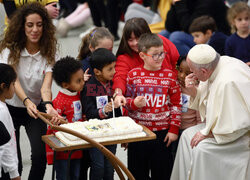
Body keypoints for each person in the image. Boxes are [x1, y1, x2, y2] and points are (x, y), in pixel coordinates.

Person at [171, 44, 250, 180]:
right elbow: (208, 96)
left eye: (192, 70)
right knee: (186, 136)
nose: (190, 72)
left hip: (240, 135)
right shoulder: (216, 64)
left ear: (204, 71)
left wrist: (208, 133)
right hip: (222, 127)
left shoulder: (229, 82)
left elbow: (237, 124)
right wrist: (193, 90)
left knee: (202, 148)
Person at [0, 3, 59, 179]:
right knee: (13, 161)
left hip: (36, 108)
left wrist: (48, 105)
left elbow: (46, 86)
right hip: (11, 108)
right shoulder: (10, 48)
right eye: (30, 25)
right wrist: (26, 101)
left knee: (40, 157)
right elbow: (13, 80)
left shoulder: (50, 49)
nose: (35, 30)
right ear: (22, 26)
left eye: (39, 25)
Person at [124, 33, 181, 180]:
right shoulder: (133, 75)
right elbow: (126, 102)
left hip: (162, 134)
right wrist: (134, 104)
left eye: (162, 53)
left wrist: (174, 129)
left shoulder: (169, 76)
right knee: (137, 174)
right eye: (155, 55)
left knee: (162, 173)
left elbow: (176, 104)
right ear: (142, 56)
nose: (160, 58)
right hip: (138, 133)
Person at [113, 17, 179, 107]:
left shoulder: (161, 43)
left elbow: (176, 64)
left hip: (167, 101)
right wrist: (118, 94)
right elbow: (120, 77)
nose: (135, 43)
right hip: (141, 107)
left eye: (138, 38)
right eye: (130, 40)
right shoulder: (125, 58)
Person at [81, 48, 122, 180]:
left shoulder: (113, 85)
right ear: (97, 72)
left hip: (112, 134)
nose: (114, 71)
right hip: (95, 135)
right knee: (98, 167)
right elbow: (88, 112)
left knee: (110, 167)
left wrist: (123, 134)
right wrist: (103, 111)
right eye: (110, 69)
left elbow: (118, 110)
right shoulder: (89, 87)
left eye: (114, 67)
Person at [46, 57, 89, 180]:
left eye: (82, 79)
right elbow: (53, 128)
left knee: (75, 176)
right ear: (65, 85)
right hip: (63, 151)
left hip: (77, 147)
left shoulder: (78, 94)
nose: (83, 83)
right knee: (64, 177)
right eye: (78, 81)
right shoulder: (59, 102)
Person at [160, 0, 230, 56]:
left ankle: (193, 65)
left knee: (176, 37)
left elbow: (191, 27)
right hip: (195, 32)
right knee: (163, 35)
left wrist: (180, 4)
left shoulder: (207, 2)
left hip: (213, 38)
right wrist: (175, 5)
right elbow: (170, 27)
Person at [170, 56, 202, 159]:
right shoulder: (174, 84)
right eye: (180, 70)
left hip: (188, 131)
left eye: (188, 74)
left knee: (184, 158)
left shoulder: (196, 89)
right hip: (172, 129)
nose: (182, 75)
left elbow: (199, 116)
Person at [0, 64, 20, 180]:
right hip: (6, 171)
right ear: (3, 86)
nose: (14, 87)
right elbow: (4, 146)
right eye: (13, 84)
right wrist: (14, 174)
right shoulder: (1, 111)